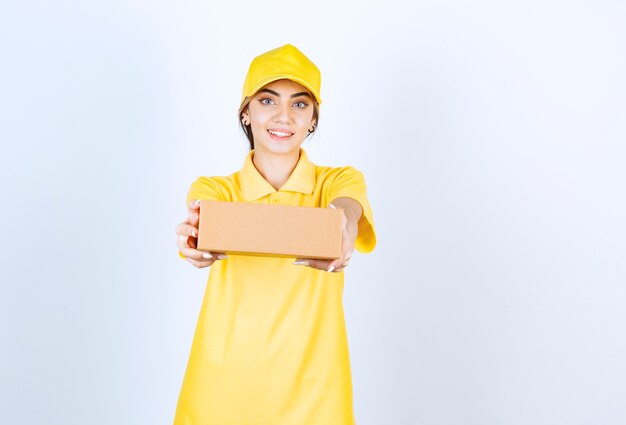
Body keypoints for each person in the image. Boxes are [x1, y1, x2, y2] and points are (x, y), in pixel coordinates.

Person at [173, 44, 377, 425]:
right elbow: (202, 219)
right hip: (222, 387)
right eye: (268, 101)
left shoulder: (338, 181)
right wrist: (194, 242)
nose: (284, 116)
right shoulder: (217, 190)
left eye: (300, 104)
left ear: (313, 119)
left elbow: (348, 209)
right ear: (246, 113)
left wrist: (344, 227)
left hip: (315, 389)